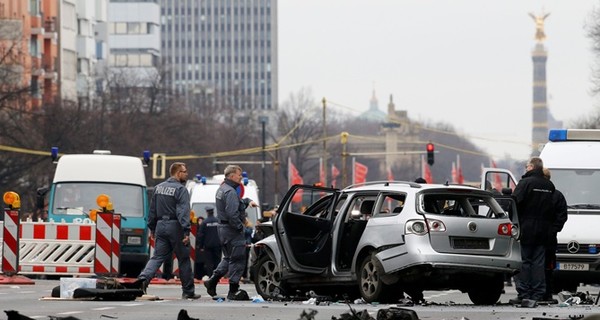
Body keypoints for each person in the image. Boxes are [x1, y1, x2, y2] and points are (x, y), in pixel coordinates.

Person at [135, 162, 200, 300]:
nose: (186, 174)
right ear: (177, 173)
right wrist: (186, 231)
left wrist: (152, 227)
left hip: (160, 225)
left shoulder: (158, 188)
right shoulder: (181, 189)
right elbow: (183, 211)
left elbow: (152, 210)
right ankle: (188, 291)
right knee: (183, 259)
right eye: (184, 171)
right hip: (175, 226)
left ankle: (142, 281)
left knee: (157, 257)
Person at [204, 165, 258, 300]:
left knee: (228, 258)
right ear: (232, 176)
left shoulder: (223, 189)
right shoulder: (231, 192)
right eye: (239, 175)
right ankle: (233, 290)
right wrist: (241, 227)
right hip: (232, 230)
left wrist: (248, 201)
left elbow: (236, 204)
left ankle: (212, 281)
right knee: (238, 259)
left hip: (223, 229)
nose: (241, 177)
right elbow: (232, 213)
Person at [509, 157, 555, 306]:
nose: (526, 168)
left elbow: (514, 203)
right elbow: (552, 208)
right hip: (544, 230)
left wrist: (514, 222)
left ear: (532, 167)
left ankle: (524, 293)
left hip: (526, 228)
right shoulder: (549, 185)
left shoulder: (525, 183)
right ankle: (538, 293)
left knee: (525, 261)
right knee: (539, 263)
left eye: (527, 166)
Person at [542, 168, 568, 303]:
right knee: (548, 266)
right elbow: (562, 215)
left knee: (535, 263)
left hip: (538, 235)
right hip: (550, 236)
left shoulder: (538, 193)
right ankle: (547, 293)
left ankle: (536, 292)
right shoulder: (557, 195)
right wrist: (554, 229)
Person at [198, 206, 221, 278]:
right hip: (218, 245)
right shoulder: (218, 221)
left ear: (207, 212)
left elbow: (201, 235)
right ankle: (217, 276)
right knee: (217, 261)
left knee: (209, 262)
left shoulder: (204, 222)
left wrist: (200, 246)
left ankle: (211, 276)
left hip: (208, 245)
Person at [194, 216, 207, 280]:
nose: (200, 222)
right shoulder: (195, 230)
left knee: (202, 264)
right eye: (199, 221)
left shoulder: (205, 229)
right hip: (197, 250)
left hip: (202, 250)